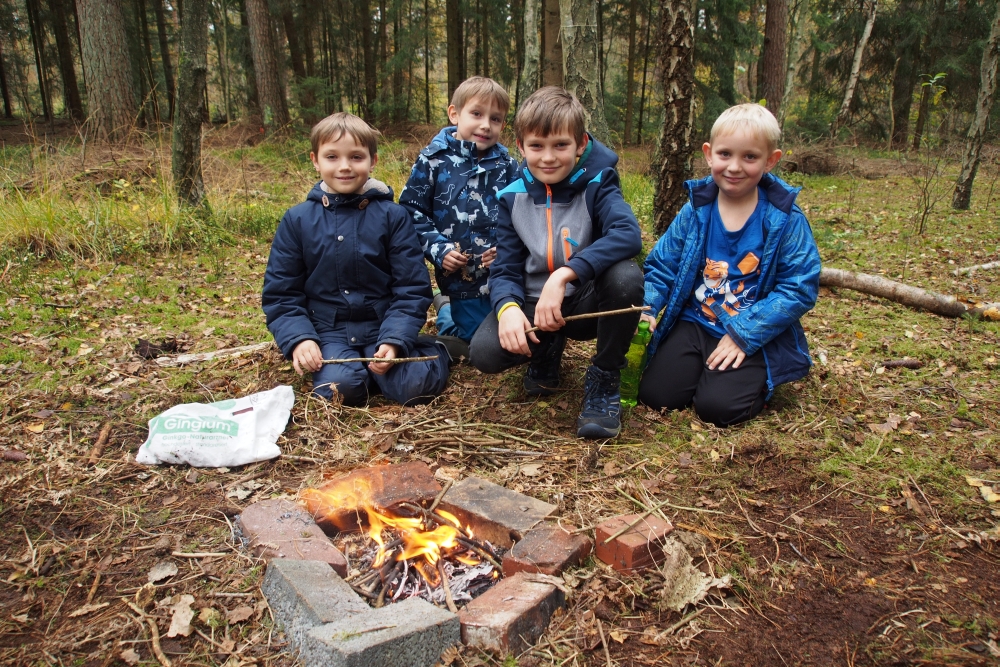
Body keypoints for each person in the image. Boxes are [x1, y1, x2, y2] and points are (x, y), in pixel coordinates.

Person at [470, 87, 645, 439]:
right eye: (536, 146)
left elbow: (628, 234)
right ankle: (546, 350)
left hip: (583, 302)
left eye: (560, 145)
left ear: (580, 144)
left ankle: (604, 379)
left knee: (627, 277)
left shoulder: (599, 183)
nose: (548, 158)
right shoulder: (511, 196)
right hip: (537, 306)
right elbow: (505, 267)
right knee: (485, 353)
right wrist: (507, 307)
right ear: (520, 146)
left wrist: (565, 274)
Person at [638, 103, 821, 426]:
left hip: (749, 327)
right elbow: (662, 265)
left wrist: (743, 333)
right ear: (709, 154)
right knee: (657, 395)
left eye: (749, 157)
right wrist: (648, 307)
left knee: (718, 409)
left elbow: (799, 286)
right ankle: (700, 369)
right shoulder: (696, 210)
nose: (734, 167)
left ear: (771, 160)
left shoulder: (784, 218)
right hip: (695, 321)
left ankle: (752, 377)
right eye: (725, 154)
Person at [262, 112, 450, 406]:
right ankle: (356, 371)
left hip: (383, 324)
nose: (345, 166)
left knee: (418, 385)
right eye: (332, 157)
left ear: (372, 161)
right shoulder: (297, 220)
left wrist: (393, 340)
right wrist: (300, 339)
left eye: (356, 157)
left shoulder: (393, 217)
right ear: (315, 160)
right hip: (328, 331)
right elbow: (281, 294)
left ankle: (432, 352)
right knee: (341, 389)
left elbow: (411, 288)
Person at [399, 76, 519, 354]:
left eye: (496, 119)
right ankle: (446, 311)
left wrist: (507, 249)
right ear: (455, 113)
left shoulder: (508, 166)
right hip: (458, 274)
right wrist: (438, 249)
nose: (486, 125)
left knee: (507, 330)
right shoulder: (433, 160)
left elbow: (521, 214)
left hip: (499, 276)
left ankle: (448, 309)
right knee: (475, 339)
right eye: (476, 114)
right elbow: (411, 212)